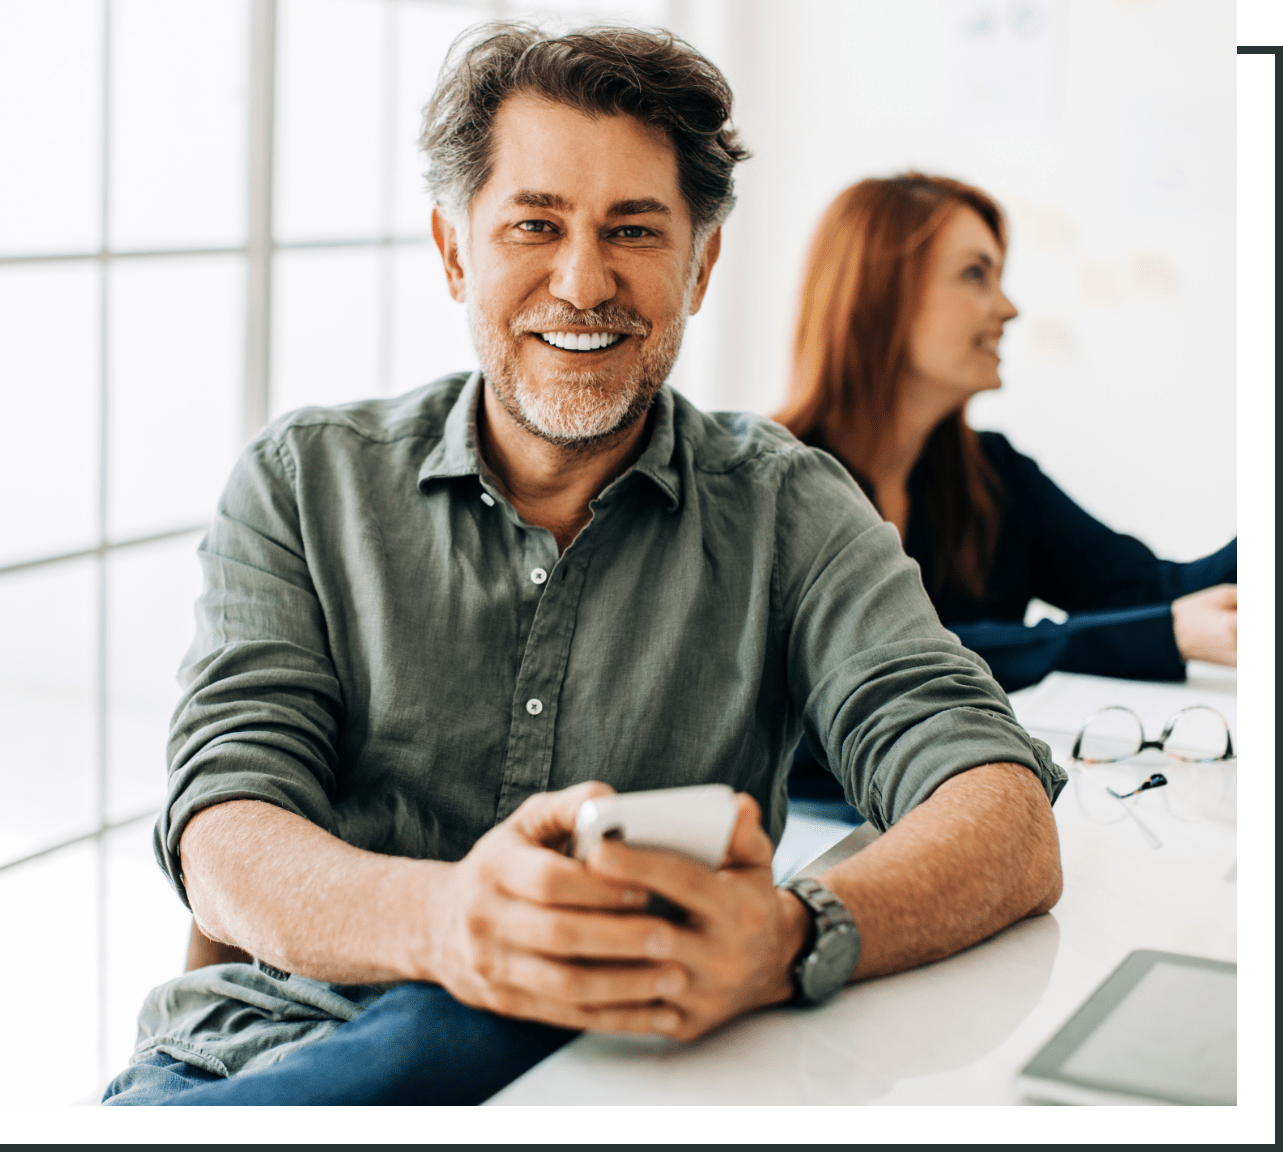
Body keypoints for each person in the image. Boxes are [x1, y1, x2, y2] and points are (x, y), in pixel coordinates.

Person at [103, 26, 1065, 1107]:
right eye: (534, 223)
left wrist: (791, 932)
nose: (581, 279)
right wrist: (451, 922)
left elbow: (1002, 813)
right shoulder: (300, 483)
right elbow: (225, 828)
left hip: (612, 1075)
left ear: (699, 267)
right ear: (455, 250)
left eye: (632, 230)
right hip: (266, 1054)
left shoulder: (790, 508)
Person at [773, 173, 1236, 811]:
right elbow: (879, 671)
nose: (1007, 308)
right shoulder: (772, 484)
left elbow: (1152, 591)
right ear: (885, 295)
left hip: (979, 808)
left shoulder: (993, 475)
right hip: (816, 836)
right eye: (975, 275)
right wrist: (1159, 634)